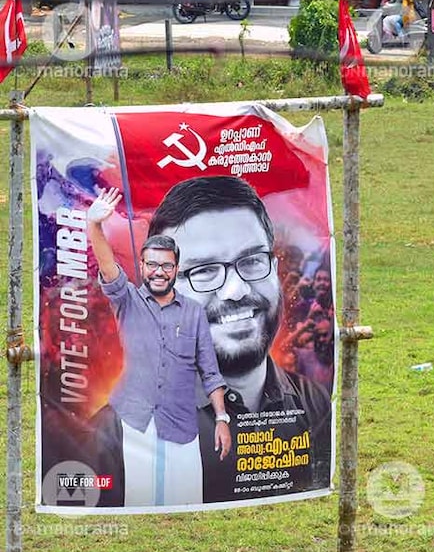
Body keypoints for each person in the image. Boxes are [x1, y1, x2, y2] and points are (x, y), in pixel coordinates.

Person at [146, 176, 333, 502]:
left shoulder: (315, 404)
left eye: (252, 261)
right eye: (203, 271)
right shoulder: (114, 437)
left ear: (274, 267)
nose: (236, 290)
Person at [87, 187, 231, 507]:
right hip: (136, 424)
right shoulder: (127, 301)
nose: (158, 272)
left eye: (166, 266)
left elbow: (210, 371)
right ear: (142, 266)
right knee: (139, 506)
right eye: (152, 265)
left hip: (182, 426)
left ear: (176, 270)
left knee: (187, 509)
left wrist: (222, 419)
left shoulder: (194, 312)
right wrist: (94, 226)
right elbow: (109, 269)